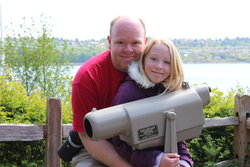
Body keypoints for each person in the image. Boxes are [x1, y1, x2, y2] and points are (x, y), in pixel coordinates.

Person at [71, 15, 148, 167]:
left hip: (144, 144)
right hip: (97, 146)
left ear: (145, 42)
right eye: (120, 42)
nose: (128, 49)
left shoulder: (156, 71)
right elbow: (87, 137)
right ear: (109, 42)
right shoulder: (88, 77)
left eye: (135, 43)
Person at [108, 39, 194, 167]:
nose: (159, 66)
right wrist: (156, 160)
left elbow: (178, 136)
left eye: (167, 62)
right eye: (153, 59)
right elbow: (119, 143)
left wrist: (183, 162)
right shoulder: (128, 93)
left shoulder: (170, 93)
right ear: (143, 60)